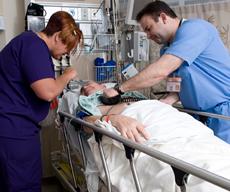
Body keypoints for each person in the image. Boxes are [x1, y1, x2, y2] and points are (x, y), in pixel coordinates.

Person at [103, 0, 230, 143]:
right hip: (198, 116)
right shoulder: (167, 49)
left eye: (149, 28)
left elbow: (161, 71)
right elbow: (175, 88)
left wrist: (119, 90)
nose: (148, 36)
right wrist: (157, 107)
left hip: (223, 115)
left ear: (163, 17)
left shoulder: (195, 29)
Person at [72, 81, 230, 192]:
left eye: (91, 84)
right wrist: (113, 118)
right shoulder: (89, 105)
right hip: (136, 119)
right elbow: (85, 123)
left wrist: (165, 102)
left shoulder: (131, 94)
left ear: (103, 85)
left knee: (210, 151)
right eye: (84, 90)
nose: (87, 88)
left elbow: (167, 89)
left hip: (165, 115)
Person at [0, 11, 83, 191]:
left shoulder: (28, 43)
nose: (65, 54)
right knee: (22, 185)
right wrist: (68, 75)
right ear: (57, 37)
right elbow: (47, 91)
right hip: (14, 131)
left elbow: (30, 88)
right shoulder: (33, 46)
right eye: (67, 48)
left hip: (13, 128)